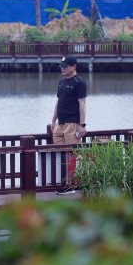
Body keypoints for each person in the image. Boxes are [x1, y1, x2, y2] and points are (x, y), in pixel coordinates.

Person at [52, 55, 87, 195]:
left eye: (65, 66)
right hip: (60, 124)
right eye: (61, 65)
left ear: (74, 66)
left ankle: (72, 185)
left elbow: (82, 104)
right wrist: (53, 121)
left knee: (73, 154)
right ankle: (63, 183)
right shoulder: (61, 82)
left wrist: (82, 125)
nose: (63, 68)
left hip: (72, 124)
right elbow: (58, 102)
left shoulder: (79, 82)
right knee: (60, 154)